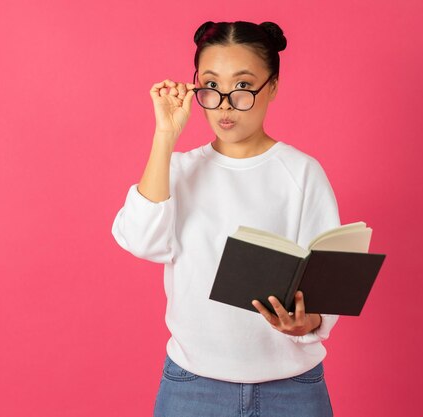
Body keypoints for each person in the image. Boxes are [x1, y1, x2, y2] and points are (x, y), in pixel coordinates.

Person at [111, 20, 339, 417]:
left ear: (273, 86)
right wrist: (165, 136)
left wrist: (310, 322)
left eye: (244, 86)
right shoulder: (178, 169)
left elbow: (328, 279)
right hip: (194, 386)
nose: (226, 104)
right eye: (211, 87)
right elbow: (140, 241)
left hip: (292, 389)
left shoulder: (301, 172)